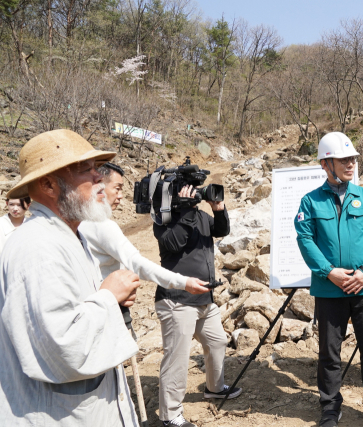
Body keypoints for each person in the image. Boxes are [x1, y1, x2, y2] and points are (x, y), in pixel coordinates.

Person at [0, 129, 141, 426]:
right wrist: (108, 297)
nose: (98, 178)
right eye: (85, 170)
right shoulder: (37, 247)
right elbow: (62, 344)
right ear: (49, 185)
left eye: (95, 169)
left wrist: (108, 299)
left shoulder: (67, 236)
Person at [294, 132, 363, 427]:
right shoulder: (310, 202)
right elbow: (305, 240)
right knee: (329, 353)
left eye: (353, 159)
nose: (351, 164)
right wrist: (328, 272)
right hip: (329, 289)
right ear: (326, 163)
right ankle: (330, 408)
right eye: (344, 159)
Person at [152, 181, 239, 427]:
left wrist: (219, 208)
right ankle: (169, 415)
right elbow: (172, 243)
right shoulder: (164, 217)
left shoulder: (201, 215)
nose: (195, 194)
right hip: (177, 301)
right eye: (189, 191)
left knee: (217, 341)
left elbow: (221, 230)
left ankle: (214, 387)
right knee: (177, 358)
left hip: (204, 299)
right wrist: (187, 211)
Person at [79, 162, 211, 296]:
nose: (121, 196)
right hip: (106, 302)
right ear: (98, 186)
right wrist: (184, 282)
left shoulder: (79, 222)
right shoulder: (102, 225)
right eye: (117, 188)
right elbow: (137, 263)